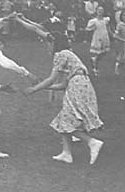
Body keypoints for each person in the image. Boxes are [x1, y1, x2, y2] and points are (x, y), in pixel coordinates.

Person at [22, 33, 104, 165]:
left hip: (77, 86)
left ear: (55, 43)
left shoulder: (61, 54)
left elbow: (51, 79)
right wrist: (43, 88)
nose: (48, 46)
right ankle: (66, 153)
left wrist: (34, 89)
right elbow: (63, 85)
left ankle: (91, 142)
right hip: (82, 85)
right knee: (64, 119)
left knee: (67, 120)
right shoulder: (70, 55)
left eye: (49, 43)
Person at [86, 6, 111, 76]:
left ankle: (95, 59)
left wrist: (111, 34)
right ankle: (95, 68)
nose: (100, 11)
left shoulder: (106, 20)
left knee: (105, 51)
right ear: (96, 11)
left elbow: (108, 28)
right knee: (98, 51)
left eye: (102, 10)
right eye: (99, 10)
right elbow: (88, 29)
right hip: (97, 36)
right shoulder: (94, 21)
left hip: (105, 36)